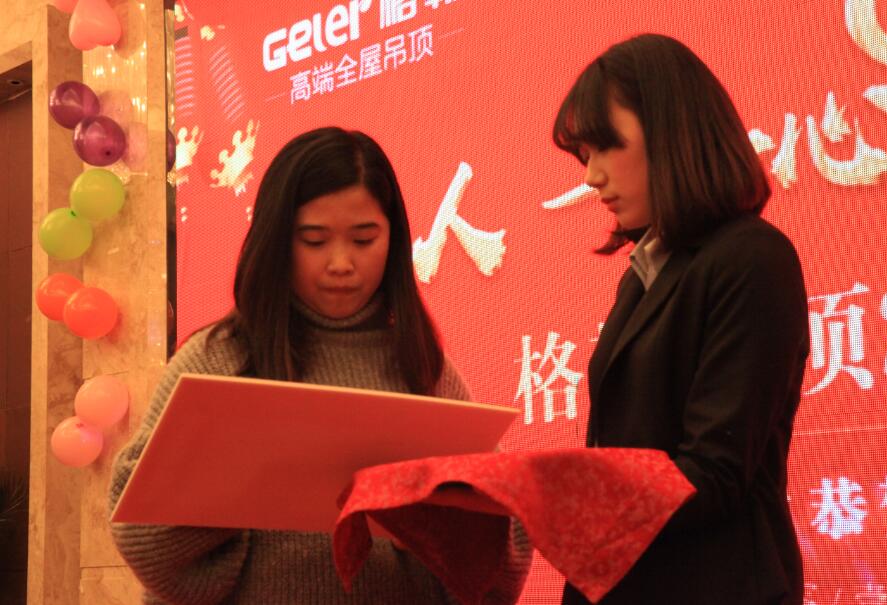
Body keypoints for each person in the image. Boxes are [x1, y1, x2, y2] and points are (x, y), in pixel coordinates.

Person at [109, 127, 531, 604]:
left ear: (393, 240)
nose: (341, 263)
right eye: (314, 240)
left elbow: (497, 567)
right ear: (275, 240)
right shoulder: (218, 360)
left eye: (364, 239)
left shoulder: (424, 370)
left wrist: (449, 528)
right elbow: (142, 537)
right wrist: (244, 491)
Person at [552, 34, 809, 604]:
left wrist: (562, 497)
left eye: (605, 146)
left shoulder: (752, 258)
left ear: (672, 130)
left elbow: (714, 473)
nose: (591, 176)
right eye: (584, 156)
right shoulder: (646, 270)